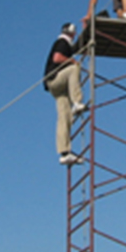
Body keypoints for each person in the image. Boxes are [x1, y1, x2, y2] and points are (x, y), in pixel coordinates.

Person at [44, 22, 88, 166]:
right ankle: (77, 101)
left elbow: (77, 46)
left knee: (64, 117)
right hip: (56, 79)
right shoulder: (62, 42)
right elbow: (57, 58)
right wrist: (72, 61)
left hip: (55, 86)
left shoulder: (64, 43)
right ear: (72, 33)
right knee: (74, 68)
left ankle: (64, 153)